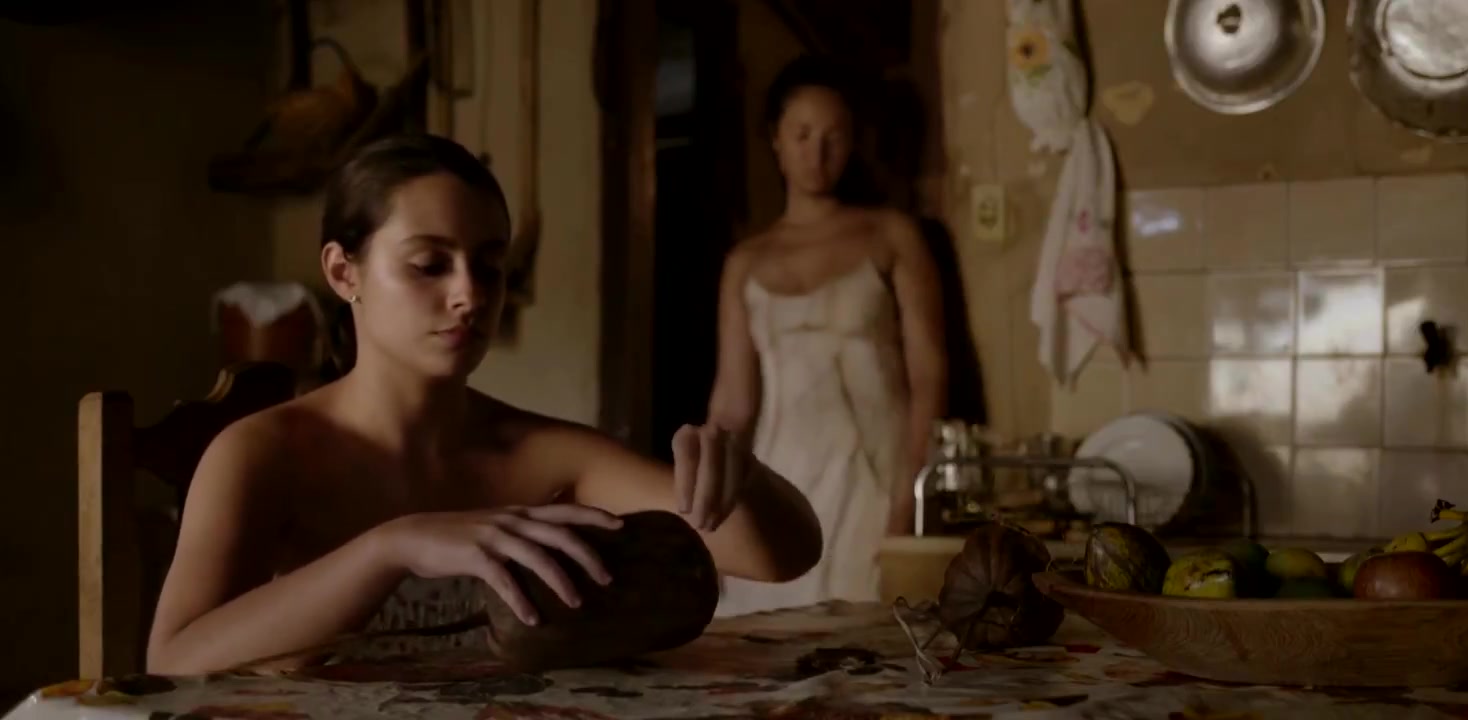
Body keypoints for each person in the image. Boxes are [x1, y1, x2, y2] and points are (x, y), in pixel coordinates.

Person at [145, 134, 823, 674]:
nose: (469, 295)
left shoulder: (544, 456)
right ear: (343, 272)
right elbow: (173, 659)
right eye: (429, 265)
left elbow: (781, 558)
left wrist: (744, 474)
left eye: (490, 267)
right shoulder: (264, 452)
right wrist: (390, 546)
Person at [705, 55, 948, 617]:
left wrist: (908, 503)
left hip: (875, 478)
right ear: (776, 139)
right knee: (768, 642)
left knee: (870, 636)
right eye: (803, 135)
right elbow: (733, 404)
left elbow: (929, 378)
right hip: (781, 477)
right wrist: (712, 512)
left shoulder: (892, 234)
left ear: (853, 142)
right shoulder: (745, 262)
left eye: (833, 137)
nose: (817, 154)